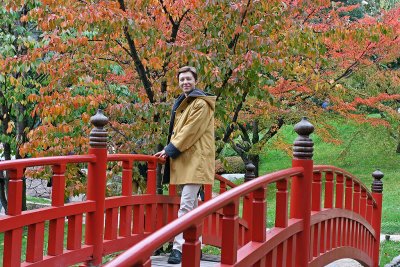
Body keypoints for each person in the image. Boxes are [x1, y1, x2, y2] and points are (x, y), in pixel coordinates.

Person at [155, 66, 216, 264]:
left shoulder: (200, 104)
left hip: (196, 161)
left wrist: (170, 149)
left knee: (186, 206)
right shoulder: (184, 102)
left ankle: (178, 248)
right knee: (191, 207)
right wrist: (170, 149)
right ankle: (194, 245)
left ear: (195, 80)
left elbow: (189, 131)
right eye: (181, 80)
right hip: (187, 160)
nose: (185, 82)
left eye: (188, 79)